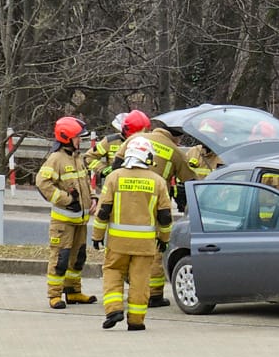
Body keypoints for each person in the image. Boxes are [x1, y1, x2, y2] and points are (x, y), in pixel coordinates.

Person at [92, 136, 173, 331]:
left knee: (113, 272)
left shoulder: (114, 177)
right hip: (145, 245)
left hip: (118, 243)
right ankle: (136, 321)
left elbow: (103, 211)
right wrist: (164, 239)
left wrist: (97, 236)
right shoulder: (158, 182)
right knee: (140, 281)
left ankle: (114, 309)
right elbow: (165, 217)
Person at [114, 119, 196, 307]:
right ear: (177, 136)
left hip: (124, 197)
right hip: (154, 201)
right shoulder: (175, 152)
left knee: (122, 243)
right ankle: (154, 294)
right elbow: (190, 180)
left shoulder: (136, 138)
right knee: (155, 248)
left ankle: (122, 287)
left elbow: (116, 164)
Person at [35, 116, 97, 309]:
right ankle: (54, 295)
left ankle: (73, 292)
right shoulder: (56, 159)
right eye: (78, 137)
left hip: (80, 220)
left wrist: (93, 197)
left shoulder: (78, 158)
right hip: (63, 222)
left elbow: (85, 182)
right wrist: (67, 200)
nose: (81, 140)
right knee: (60, 258)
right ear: (66, 137)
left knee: (78, 257)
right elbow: (42, 183)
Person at [84, 110, 151, 184]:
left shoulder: (150, 143)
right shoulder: (111, 141)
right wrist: (103, 169)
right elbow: (89, 157)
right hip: (116, 184)